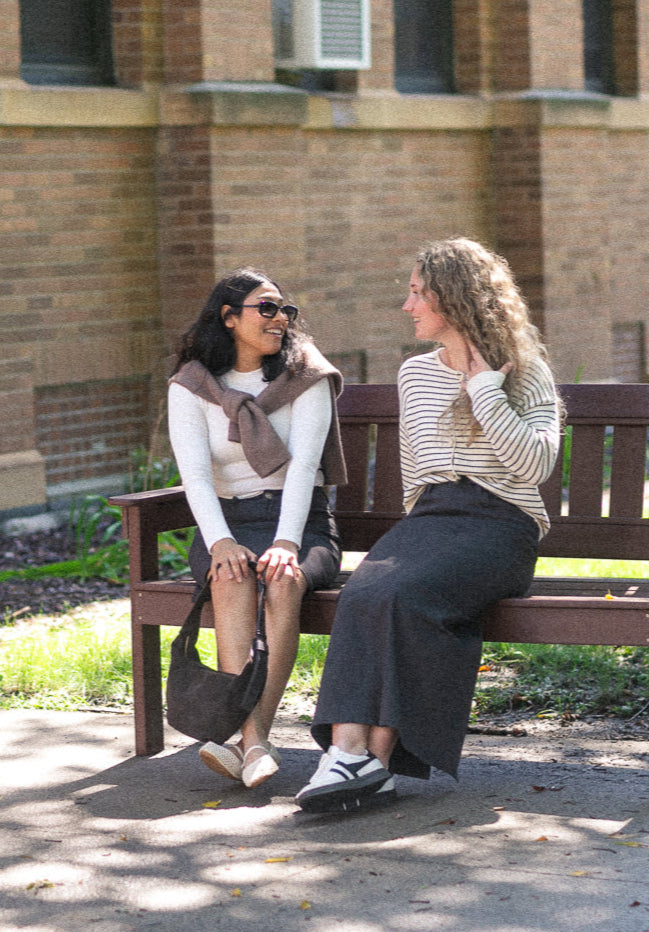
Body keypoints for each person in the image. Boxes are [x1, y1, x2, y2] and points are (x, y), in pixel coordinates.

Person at [296, 238, 561, 814]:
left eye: (419, 293)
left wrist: (486, 391)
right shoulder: (415, 374)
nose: (407, 305)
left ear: (457, 300)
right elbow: (418, 472)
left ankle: (372, 763)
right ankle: (348, 755)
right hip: (433, 518)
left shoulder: (528, 374)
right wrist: (421, 535)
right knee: (367, 591)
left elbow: (534, 466)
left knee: (404, 592)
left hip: (501, 525)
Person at [168, 267, 346, 789]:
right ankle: (254, 744)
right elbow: (195, 476)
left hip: (303, 521)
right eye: (265, 308)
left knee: (282, 578)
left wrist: (288, 542)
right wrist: (220, 540)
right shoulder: (192, 385)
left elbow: (302, 470)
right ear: (228, 318)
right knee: (230, 576)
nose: (280, 319)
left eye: (285, 310)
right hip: (228, 520)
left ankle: (250, 738)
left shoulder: (306, 375)